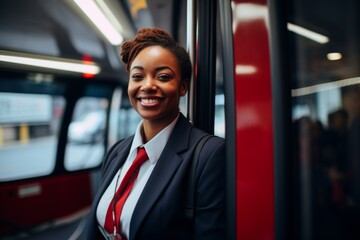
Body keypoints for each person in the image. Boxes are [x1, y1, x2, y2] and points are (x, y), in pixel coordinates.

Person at [81, 28, 226, 240]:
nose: (147, 85)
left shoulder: (209, 155)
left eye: (163, 76)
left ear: (183, 87)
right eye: (138, 76)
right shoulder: (117, 151)